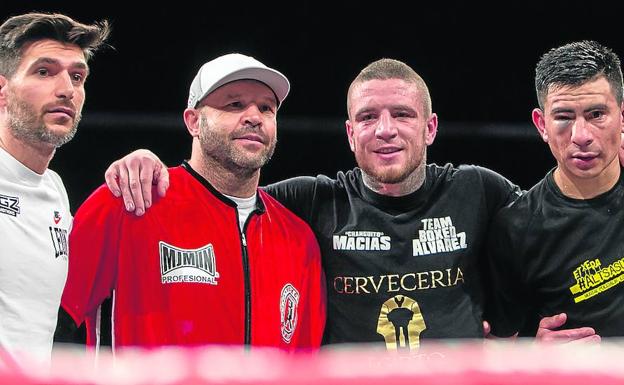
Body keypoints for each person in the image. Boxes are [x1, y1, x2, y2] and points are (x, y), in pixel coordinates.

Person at [107, 58, 597, 349]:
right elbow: (217, 197)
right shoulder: (310, 200)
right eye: (368, 117)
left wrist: (534, 342)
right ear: (349, 133)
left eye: (402, 114)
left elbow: (553, 237)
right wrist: (150, 162)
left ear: (430, 128)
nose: (385, 130)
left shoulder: (478, 190)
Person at [60, 53, 326, 350]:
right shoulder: (132, 201)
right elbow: (53, 319)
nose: (254, 117)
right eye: (234, 104)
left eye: (267, 108)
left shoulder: (300, 241)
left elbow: (305, 366)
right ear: (194, 122)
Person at [487, 40, 624, 339]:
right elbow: (500, 352)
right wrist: (536, 360)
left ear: (622, 115)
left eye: (596, 114)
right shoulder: (517, 228)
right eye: (563, 117)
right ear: (541, 124)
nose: (581, 136)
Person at [0, 12, 109, 362]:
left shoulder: (54, 190)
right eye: (44, 71)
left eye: (77, 76)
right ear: (2, 90)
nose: (67, 90)